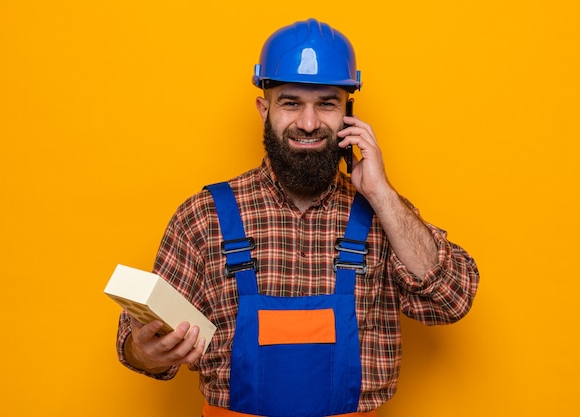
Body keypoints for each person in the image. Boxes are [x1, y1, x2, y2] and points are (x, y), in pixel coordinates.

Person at [115, 18, 479, 417]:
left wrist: (380, 193)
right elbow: (138, 347)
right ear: (263, 108)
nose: (308, 123)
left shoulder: (384, 214)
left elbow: (452, 300)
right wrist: (146, 350)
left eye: (327, 103)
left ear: (349, 114)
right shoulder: (204, 217)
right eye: (291, 103)